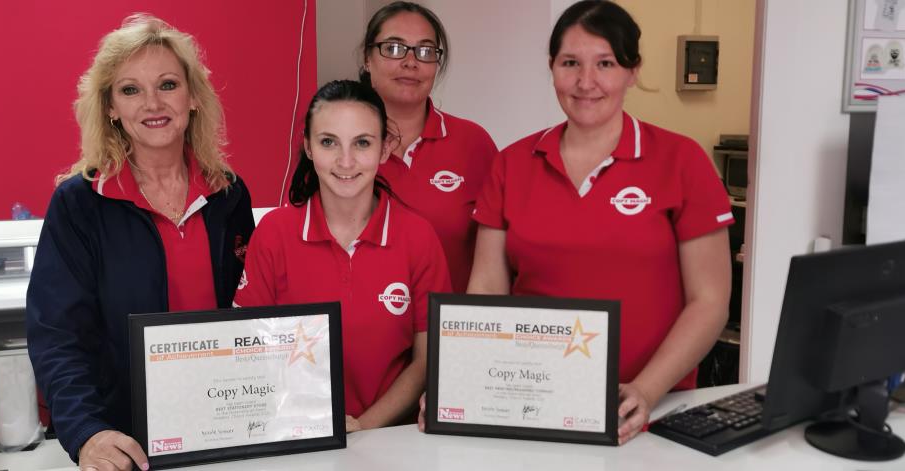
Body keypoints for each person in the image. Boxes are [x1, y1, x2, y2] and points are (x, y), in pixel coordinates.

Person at [468, 1, 732, 444]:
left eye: (605, 64)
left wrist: (645, 390)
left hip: (654, 408)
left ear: (633, 71)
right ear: (552, 67)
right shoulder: (511, 164)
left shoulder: (681, 161)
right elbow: (486, 291)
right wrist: (466, 381)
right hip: (534, 399)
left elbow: (709, 301)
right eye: (570, 63)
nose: (585, 82)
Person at [26, 14, 254, 470]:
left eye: (168, 84)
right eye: (130, 90)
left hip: (226, 428)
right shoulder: (80, 204)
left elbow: (257, 314)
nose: (153, 103)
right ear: (110, 107)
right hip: (129, 444)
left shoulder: (229, 195)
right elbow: (57, 336)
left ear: (192, 97)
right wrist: (87, 432)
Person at [234, 80, 452, 432]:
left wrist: (364, 426)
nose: (346, 161)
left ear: (385, 148)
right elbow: (251, 351)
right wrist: (314, 426)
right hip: (297, 435)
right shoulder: (274, 234)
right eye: (328, 142)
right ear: (308, 146)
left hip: (393, 438)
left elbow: (426, 359)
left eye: (362, 143)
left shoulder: (418, 237)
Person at [359, 1, 498, 292]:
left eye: (425, 51)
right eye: (393, 48)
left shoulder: (473, 143)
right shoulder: (339, 146)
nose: (411, 62)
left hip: (450, 317)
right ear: (367, 59)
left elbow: (498, 256)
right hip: (360, 317)